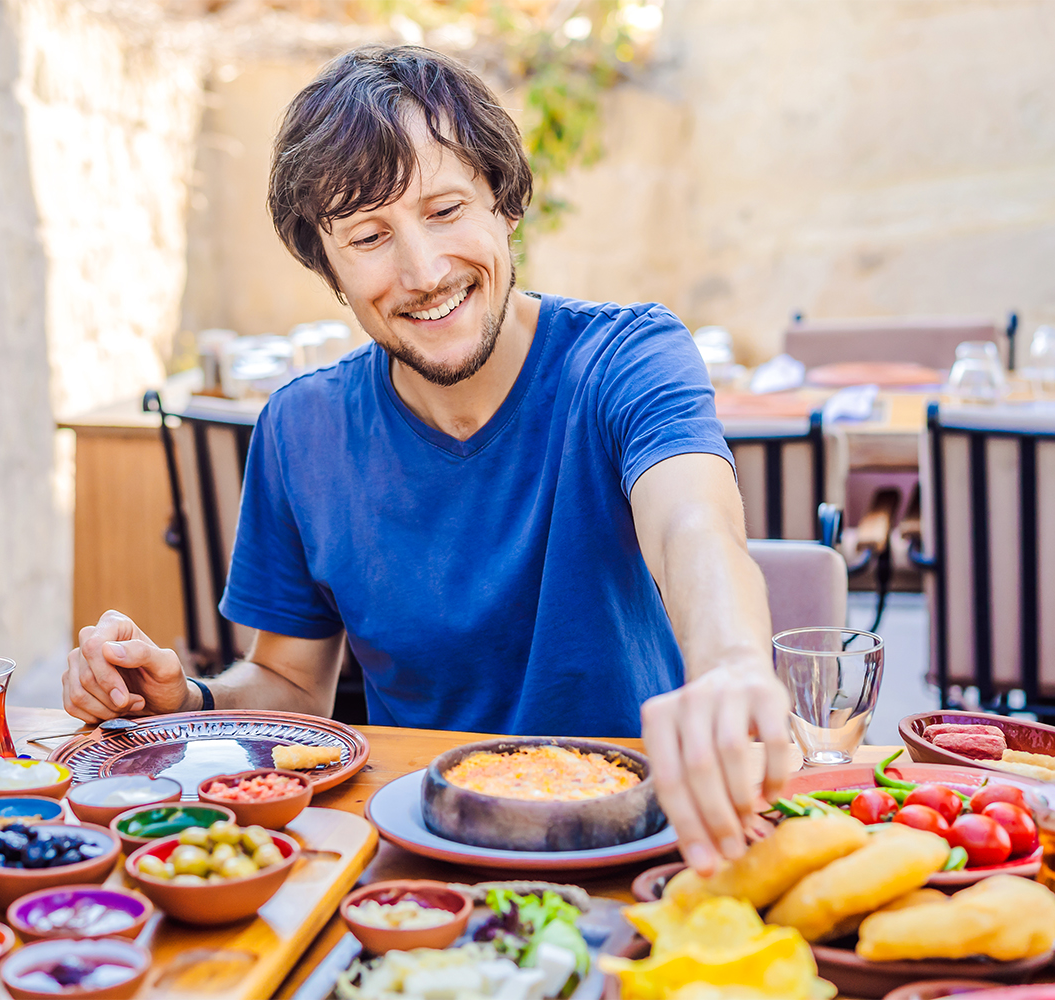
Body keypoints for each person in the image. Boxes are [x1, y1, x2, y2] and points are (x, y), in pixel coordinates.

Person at [61, 45, 793, 874]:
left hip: (643, 839)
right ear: (329, 268)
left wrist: (731, 668)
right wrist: (184, 701)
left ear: (504, 204)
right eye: (369, 236)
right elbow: (293, 689)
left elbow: (694, 525)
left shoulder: (629, 357)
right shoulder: (301, 428)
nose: (423, 271)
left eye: (446, 210)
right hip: (416, 857)